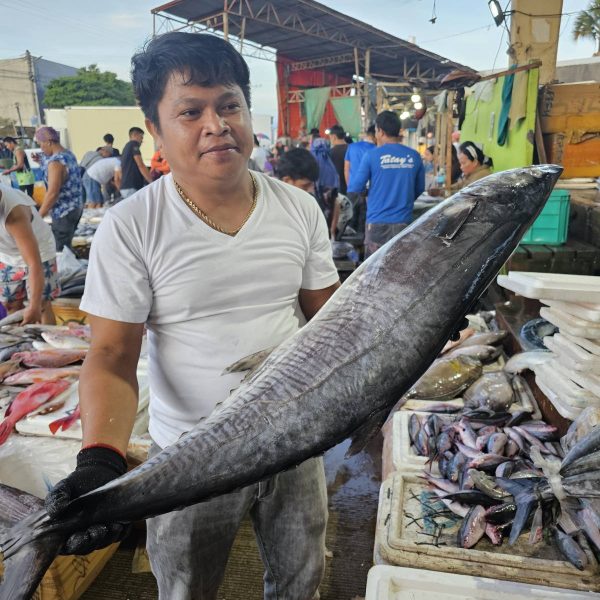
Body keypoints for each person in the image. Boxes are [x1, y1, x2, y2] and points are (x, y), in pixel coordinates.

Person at [45, 31, 340, 600]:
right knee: (185, 588)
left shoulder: (299, 208)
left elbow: (331, 323)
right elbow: (111, 354)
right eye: (190, 111)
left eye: (229, 104)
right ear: (155, 129)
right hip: (188, 453)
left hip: (296, 442)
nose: (217, 124)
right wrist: (100, 458)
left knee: (303, 580)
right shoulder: (131, 227)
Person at [347, 110, 424, 258]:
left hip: (377, 224)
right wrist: (403, 199)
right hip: (404, 224)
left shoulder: (371, 155)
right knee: (399, 270)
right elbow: (420, 188)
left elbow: (356, 187)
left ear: (380, 131)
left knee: (373, 273)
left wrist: (368, 194)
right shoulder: (414, 156)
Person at [0, 183, 58, 324]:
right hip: (7, 254)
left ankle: (47, 343)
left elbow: (34, 263)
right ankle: (18, 342)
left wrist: (34, 305)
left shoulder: (14, 216)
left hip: (40, 251)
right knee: (11, 303)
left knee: (41, 305)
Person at [34, 126, 83, 252]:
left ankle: (67, 269)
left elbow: (53, 193)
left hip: (63, 212)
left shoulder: (55, 162)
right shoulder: (68, 154)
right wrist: (41, 161)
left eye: (41, 144)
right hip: (75, 207)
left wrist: (39, 215)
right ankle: (71, 264)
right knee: (67, 244)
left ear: (49, 142)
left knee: (59, 249)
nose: (41, 148)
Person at [344, 125, 375, 235]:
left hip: (353, 189)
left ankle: (352, 249)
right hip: (371, 192)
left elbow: (346, 168)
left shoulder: (352, 147)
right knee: (365, 223)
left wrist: (350, 186)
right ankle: (364, 249)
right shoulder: (377, 150)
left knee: (350, 224)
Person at [119, 126, 152, 199]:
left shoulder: (126, 147)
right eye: (141, 137)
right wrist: (151, 181)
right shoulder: (134, 144)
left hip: (126, 186)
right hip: (132, 186)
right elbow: (140, 164)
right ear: (135, 135)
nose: (142, 141)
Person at [328, 124, 348, 194]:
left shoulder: (330, 152)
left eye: (330, 138)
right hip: (352, 188)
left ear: (334, 137)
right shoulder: (352, 149)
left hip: (338, 189)